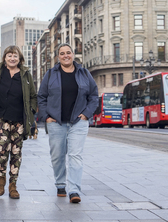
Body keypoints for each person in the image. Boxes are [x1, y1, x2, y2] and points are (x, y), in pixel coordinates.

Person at [37, 43, 98, 203]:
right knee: (57, 156)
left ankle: (74, 190)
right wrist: (46, 117)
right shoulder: (50, 74)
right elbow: (41, 96)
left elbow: (93, 96)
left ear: (73, 54)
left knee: (75, 156)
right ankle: (60, 184)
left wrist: (86, 114)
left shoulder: (84, 73)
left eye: (68, 53)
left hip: (78, 122)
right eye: (62, 53)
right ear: (58, 57)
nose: (66, 56)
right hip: (55, 122)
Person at [0, 45, 37, 199]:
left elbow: (33, 96)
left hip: (19, 119)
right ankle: (1, 178)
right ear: (5, 57)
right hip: (1, 118)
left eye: (15, 56)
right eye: (9, 55)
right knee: (2, 151)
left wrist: (31, 113)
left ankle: (13, 185)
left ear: (20, 59)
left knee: (16, 153)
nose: (12, 58)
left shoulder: (26, 75)